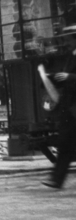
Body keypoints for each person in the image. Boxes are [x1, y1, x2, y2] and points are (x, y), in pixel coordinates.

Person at [41, 25, 76, 190]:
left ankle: (57, 179)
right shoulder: (71, 56)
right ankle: (57, 180)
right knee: (65, 144)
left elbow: (70, 78)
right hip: (70, 108)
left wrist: (70, 77)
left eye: (68, 40)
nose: (66, 43)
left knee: (66, 144)